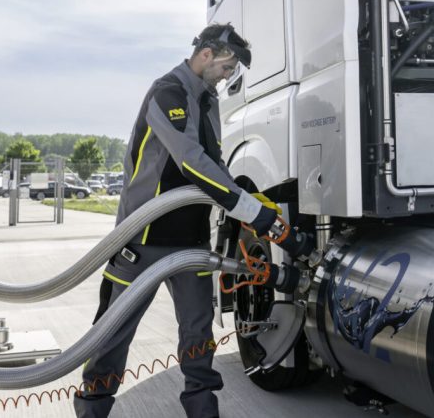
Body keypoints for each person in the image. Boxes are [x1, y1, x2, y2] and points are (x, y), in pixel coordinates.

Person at [74, 24, 307, 418]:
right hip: (142, 238)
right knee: (113, 333)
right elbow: (191, 163)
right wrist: (256, 215)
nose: (229, 75)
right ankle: (93, 409)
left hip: (191, 240)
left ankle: (202, 410)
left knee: (198, 333)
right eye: (227, 65)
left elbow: (215, 164)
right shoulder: (168, 93)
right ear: (205, 55)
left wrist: (253, 200)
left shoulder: (208, 101)